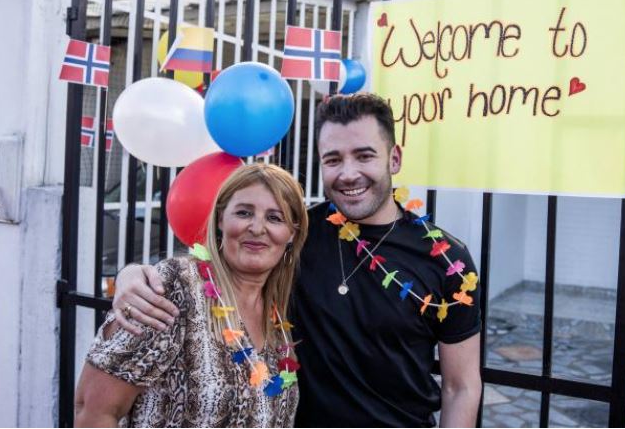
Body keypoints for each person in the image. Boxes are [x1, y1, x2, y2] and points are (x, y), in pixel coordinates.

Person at [113, 93, 483, 427]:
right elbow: (214, 269)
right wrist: (131, 274)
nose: (349, 173)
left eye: (364, 156)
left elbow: (460, 387)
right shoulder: (295, 235)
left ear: (395, 158)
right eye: (333, 159)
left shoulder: (447, 259)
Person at [74, 163, 309, 427]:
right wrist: (128, 273)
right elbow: (93, 409)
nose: (257, 227)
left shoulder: (279, 314)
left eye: (275, 218)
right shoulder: (175, 287)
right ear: (220, 220)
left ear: (292, 233)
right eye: (244, 213)